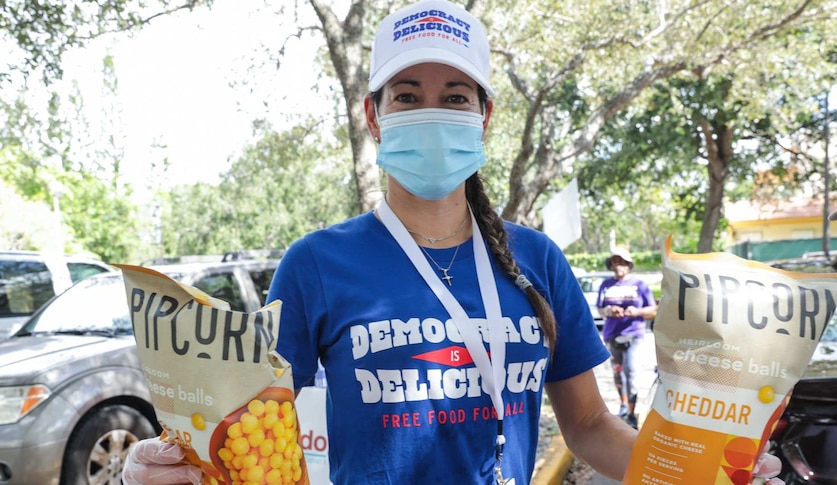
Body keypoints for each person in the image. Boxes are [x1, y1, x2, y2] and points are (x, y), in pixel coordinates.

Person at [121, 0, 784, 483]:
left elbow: (586, 427)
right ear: (374, 116)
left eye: (455, 95)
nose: (431, 110)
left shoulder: (538, 261)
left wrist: (701, 473)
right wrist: (162, 465)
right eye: (408, 96)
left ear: (485, 115)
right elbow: (248, 431)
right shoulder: (317, 264)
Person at [596, 246, 657, 429]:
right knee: (617, 372)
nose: (617, 265)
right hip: (612, 335)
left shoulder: (640, 285)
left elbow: (653, 309)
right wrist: (608, 311)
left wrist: (636, 311)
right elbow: (600, 308)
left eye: (621, 262)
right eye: (614, 262)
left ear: (628, 265)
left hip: (634, 334)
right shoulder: (606, 285)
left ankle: (631, 413)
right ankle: (623, 406)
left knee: (631, 372)